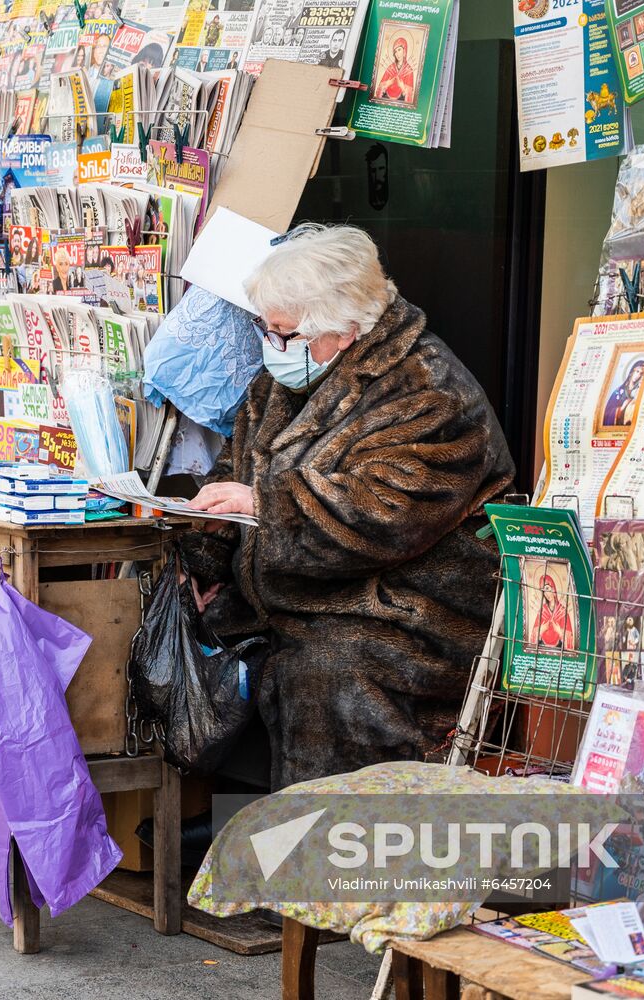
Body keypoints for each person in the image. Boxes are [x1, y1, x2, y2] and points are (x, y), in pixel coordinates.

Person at [179, 225, 514, 789]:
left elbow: (384, 513)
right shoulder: (289, 375)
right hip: (300, 597)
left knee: (326, 673)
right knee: (183, 642)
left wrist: (265, 504)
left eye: (285, 333)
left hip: (406, 613)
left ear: (347, 329)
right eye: (267, 329)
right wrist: (204, 560)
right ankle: (230, 837)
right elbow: (232, 473)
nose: (272, 345)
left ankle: (328, 851)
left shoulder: (430, 390)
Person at [602, 358, 644, 427]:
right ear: (631, 372)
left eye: (641, 373)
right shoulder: (618, 392)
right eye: (637, 371)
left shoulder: (639, 391)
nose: (639, 375)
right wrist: (621, 408)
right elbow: (607, 414)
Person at [377, 35, 415, 103]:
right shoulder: (390, 67)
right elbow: (379, 90)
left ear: (405, 51)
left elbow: (409, 97)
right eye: (395, 51)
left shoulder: (409, 70)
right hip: (386, 98)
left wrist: (402, 87)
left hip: (401, 100)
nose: (397, 53)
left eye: (399, 50)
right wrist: (387, 84)